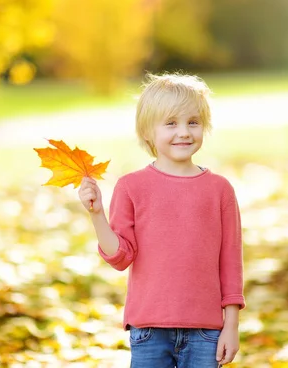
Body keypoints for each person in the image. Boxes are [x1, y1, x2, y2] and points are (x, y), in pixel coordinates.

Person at [78, 73, 245, 367]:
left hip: (206, 332)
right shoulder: (131, 187)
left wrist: (230, 326)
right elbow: (120, 256)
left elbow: (231, 262)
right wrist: (97, 215)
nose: (184, 132)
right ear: (147, 132)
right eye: (171, 123)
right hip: (149, 331)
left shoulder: (220, 190)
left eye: (193, 122)